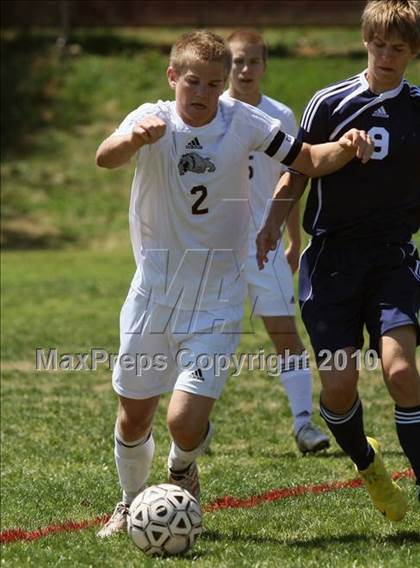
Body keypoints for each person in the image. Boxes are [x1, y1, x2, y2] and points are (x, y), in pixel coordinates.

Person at [95, 29, 373, 537]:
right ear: (173, 77)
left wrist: (347, 145)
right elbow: (105, 155)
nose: (201, 93)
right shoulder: (150, 117)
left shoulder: (243, 122)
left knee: (183, 420)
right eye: (193, 82)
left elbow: (307, 160)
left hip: (219, 293)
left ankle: (182, 469)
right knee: (134, 417)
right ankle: (129, 504)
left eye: (213, 84)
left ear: (224, 85)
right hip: (154, 292)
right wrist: (132, 140)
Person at [257, 0, 420, 522]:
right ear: (365, 42)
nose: (386, 55)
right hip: (330, 263)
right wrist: (269, 227)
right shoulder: (330, 102)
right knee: (340, 385)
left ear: (413, 52)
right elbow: (297, 171)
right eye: (378, 45)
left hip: (393, 259)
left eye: (398, 48)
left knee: (400, 372)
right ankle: (369, 464)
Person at [222, 30, 330, 454]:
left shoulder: (280, 116)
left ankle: (304, 424)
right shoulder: (211, 113)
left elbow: (293, 179)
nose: (245, 69)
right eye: (236, 62)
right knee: (208, 335)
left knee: (284, 332)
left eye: (253, 61)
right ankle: (199, 424)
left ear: (265, 66)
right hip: (216, 248)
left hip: (263, 245)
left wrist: (292, 238)